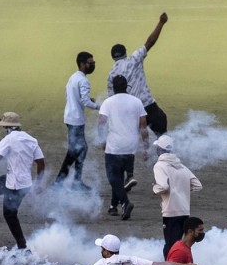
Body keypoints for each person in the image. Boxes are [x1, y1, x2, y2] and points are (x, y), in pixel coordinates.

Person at [111, 11, 170, 135]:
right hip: (148, 105)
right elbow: (150, 42)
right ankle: (164, 151)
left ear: (113, 58)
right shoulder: (134, 59)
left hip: (131, 111)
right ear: (125, 53)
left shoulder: (111, 74)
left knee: (131, 138)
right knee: (162, 133)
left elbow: (112, 98)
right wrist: (161, 23)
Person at [0, 111, 44, 249]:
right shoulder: (31, 139)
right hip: (26, 184)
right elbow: (41, 162)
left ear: (8, 128)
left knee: (9, 214)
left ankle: (22, 246)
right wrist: (39, 183)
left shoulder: (8, 139)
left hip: (14, 184)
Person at [97, 74, 147, 220]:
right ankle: (113, 206)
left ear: (113, 88)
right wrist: (146, 148)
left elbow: (101, 123)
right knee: (119, 178)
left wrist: (101, 140)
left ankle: (125, 203)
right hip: (131, 146)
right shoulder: (137, 102)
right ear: (127, 86)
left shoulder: (108, 102)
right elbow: (143, 126)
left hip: (115, 146)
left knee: (114, 178)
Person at [151, 134, 202, 249]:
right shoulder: (182, 167)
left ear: (159, 149)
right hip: (185, 212)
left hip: (171, 212)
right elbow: (198, 185)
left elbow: (163, 186)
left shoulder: (160, 166)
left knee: (170, 247)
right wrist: (181, 189)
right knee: (181, 245)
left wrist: (155, 189)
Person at [58, 51, 101, 185]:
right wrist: (98, 106)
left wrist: (88, 99)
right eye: (90, 63)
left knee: (78, 149)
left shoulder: (73, 77)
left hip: (70, 117)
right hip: (76, 120)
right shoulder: (84, 80)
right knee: (76, 150)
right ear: (82, 64)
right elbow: (85, 101)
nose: (93, 65)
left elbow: (70, 95)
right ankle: (65, 181)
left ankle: (72, 180)